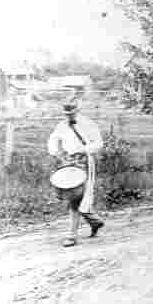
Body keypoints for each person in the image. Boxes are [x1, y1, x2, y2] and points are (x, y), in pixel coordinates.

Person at [47, 100, 105, 247]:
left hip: (85, 160)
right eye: (66, 114)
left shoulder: (88, 124)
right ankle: (95, 221)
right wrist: (57, 153)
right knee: (74, 195)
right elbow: (53, 140)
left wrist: (84, 149)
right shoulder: (61, 126)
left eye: (71, 113)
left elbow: (99, 144)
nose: (69, 116)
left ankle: (71, 236)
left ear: (77, 111)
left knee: (75, 197)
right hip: (68, 161)